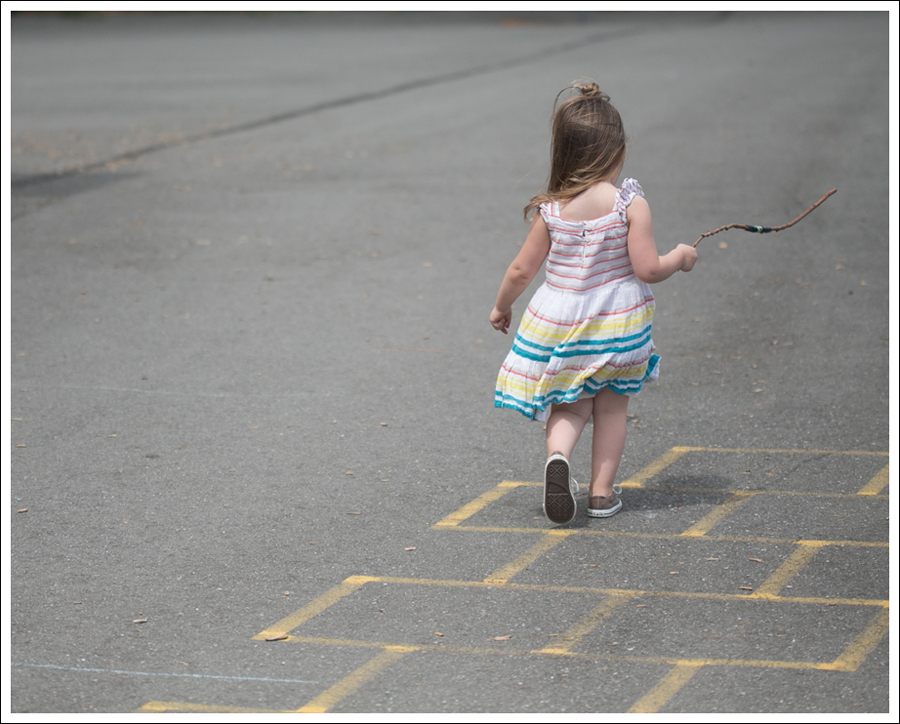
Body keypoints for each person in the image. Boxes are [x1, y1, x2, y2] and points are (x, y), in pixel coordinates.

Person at [490, 81, 698, 525]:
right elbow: (647, 268)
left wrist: (501, 306)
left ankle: (559, 457)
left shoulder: (552, 209)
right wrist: (679, 258)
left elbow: (521, 271)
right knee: (611, 405)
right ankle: (602, 495)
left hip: (563, 325)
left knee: (569, 405)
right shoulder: (629, 203)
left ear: (562, 152)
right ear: (617, 151)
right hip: (616, 326)